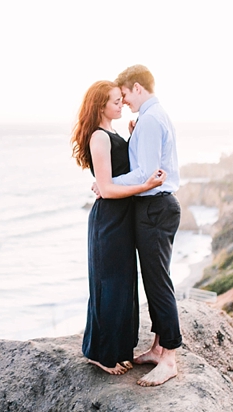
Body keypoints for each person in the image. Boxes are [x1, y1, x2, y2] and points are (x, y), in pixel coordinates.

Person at [93, 65, 182, 387]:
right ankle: (159, 348)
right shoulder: (150, 118)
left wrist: (105, 183)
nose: (124, 101)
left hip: (155, 207)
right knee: (156, 278)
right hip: (157, 207)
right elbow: (145, 164)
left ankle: (169, 356)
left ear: (136, 87)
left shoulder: (150, 119)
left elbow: (145, 172)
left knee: (158, 282)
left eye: (125, 95)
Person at [71, 80, 166, 376]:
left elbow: (118, 170)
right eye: (115, 101)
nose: (121, 104)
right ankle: (100, 354)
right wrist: (145, 185)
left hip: (121, 220)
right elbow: (108, 189)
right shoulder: (99, 137)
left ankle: (118, 349)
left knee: (123, 286)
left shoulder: (112, 132)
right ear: (100, 105)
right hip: (108, 221)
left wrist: (134, 137)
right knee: (108, 287)